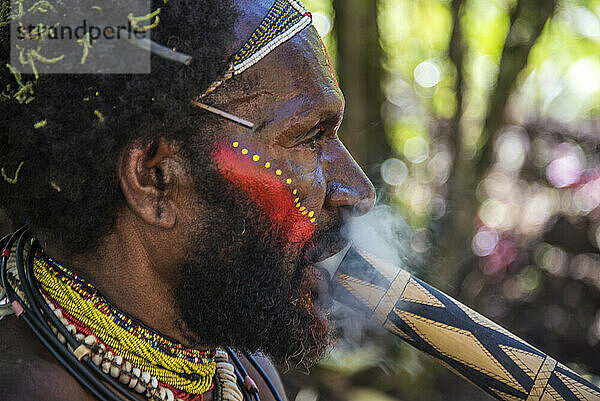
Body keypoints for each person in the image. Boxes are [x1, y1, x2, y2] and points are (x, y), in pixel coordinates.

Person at [0, 0, 376, 400]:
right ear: (156, 178)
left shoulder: (248, 372)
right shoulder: (24, 387)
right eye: (308, 139)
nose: (360, 191)